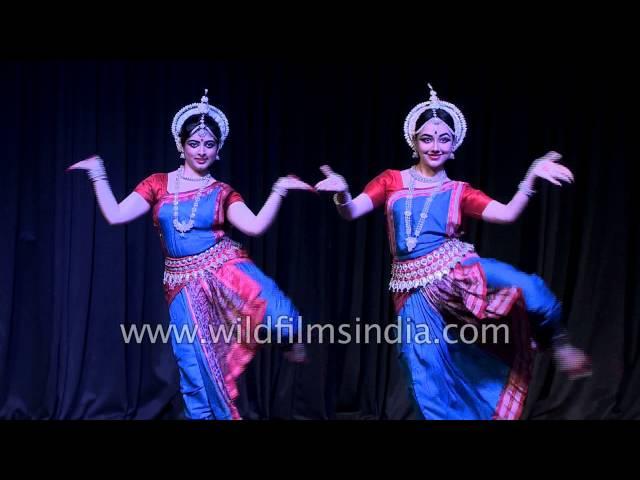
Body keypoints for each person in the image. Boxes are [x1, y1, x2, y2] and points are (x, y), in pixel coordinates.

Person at [315, 84, 591, 420]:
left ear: (454, 145)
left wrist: (530, 177)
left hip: (459, 270)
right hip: (412, 289)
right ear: (414, 142)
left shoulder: (459, 190)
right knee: (424, 370)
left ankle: (557, 341)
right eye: (427, 138)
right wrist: (343, 193)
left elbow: (506, 214)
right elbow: (352, 211)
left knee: (528, 287)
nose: (435, 146)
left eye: (444, 138)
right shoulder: (391, 181)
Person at [67, 89, 312, 420]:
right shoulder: (157, 184)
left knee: (283, 317)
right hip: (182, 285)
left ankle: (288, 340)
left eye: (209, 144)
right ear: (181, 145)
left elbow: (253, 226)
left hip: (225, 269)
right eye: (194, 143)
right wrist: (97, 172)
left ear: (218, 149)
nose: (201, 150)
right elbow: (115, 215)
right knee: (195, 368)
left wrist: (279, 189)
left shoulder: (222, 192)